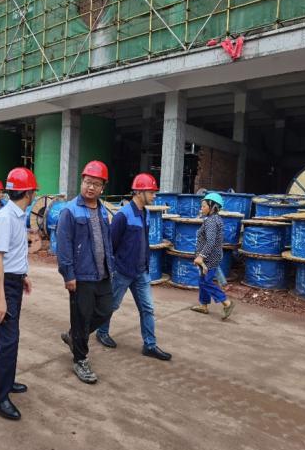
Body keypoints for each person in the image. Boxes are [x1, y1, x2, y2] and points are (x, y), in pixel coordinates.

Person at [95, 173, 172, 361]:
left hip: (141, 272)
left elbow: (143, 241)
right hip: (122, 272)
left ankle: (150, 345)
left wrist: (145, 264)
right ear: (138, 192)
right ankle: (102, 332)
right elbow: (110, 245)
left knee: (147, 308)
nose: (154, 195)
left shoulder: (146, 213)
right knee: (112, 305)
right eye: (151, 192)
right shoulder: (123, 216)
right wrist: (111, 270)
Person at [56, 161, 115, 384]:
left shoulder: (103, 210)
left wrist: (111, 266)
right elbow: (64, 245)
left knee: (106, 310)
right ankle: (80, 359)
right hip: (81, 275)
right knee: (81, 317)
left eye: (96, 184)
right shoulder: (70, 210)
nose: (91, 187)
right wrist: (68, 274)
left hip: (103, 273)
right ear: (82, 182)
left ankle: (74, 336)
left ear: (102, 188)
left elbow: (107, 241)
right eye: (88, 182)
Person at [0, 167, 37, 421]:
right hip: (3, 284)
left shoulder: (17, 215)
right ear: (28, 193)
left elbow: (14, 252)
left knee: (10, 339)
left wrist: (22, 275)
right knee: (8, 339)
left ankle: (5, 380)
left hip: (12, 280)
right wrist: (1, 299)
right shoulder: (6, 218)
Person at [191, 192, 236, 320]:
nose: (201, 208)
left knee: (206, 282)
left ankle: (226, 302)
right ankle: (203, 305)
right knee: (202, 281)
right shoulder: (214, 219)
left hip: (209, 258)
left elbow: (210, 242)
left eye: (204, 206)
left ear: (213, 207)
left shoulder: (211, 221)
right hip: (210, 256)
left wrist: (201, 256)